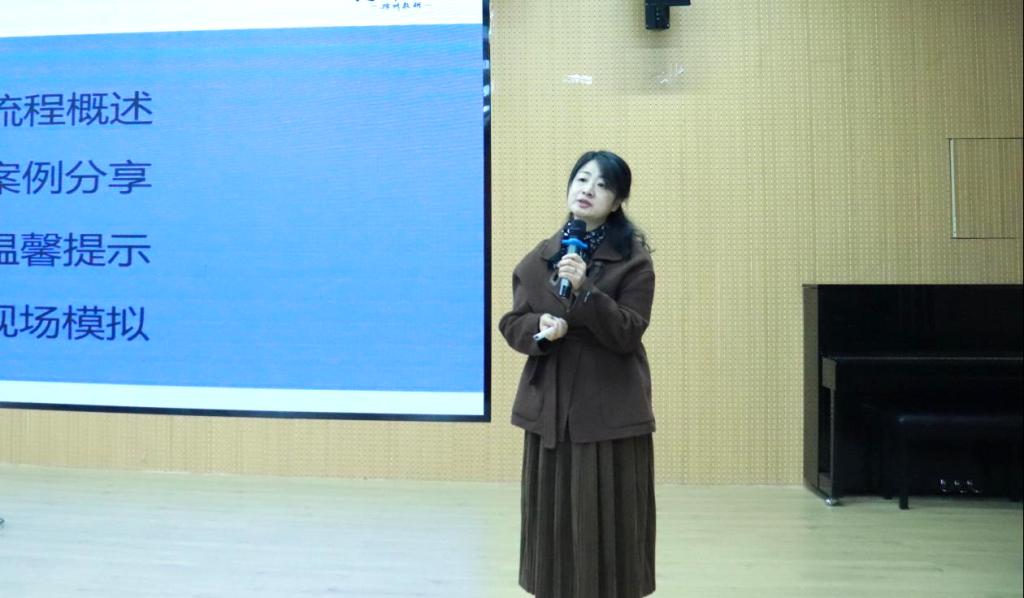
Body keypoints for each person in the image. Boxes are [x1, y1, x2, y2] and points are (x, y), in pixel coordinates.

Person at [500, 150, 656, 598]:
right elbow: (513, 324)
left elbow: (629, 331)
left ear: (617, 201)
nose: (588, 190)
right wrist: (541, 328)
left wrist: (587, 292)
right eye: (582, 179)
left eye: (602, 185)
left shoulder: (633, 261)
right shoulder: (540, 258)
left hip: (608, 408)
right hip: (550, 408)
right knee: (553, 520)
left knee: (610, 518)